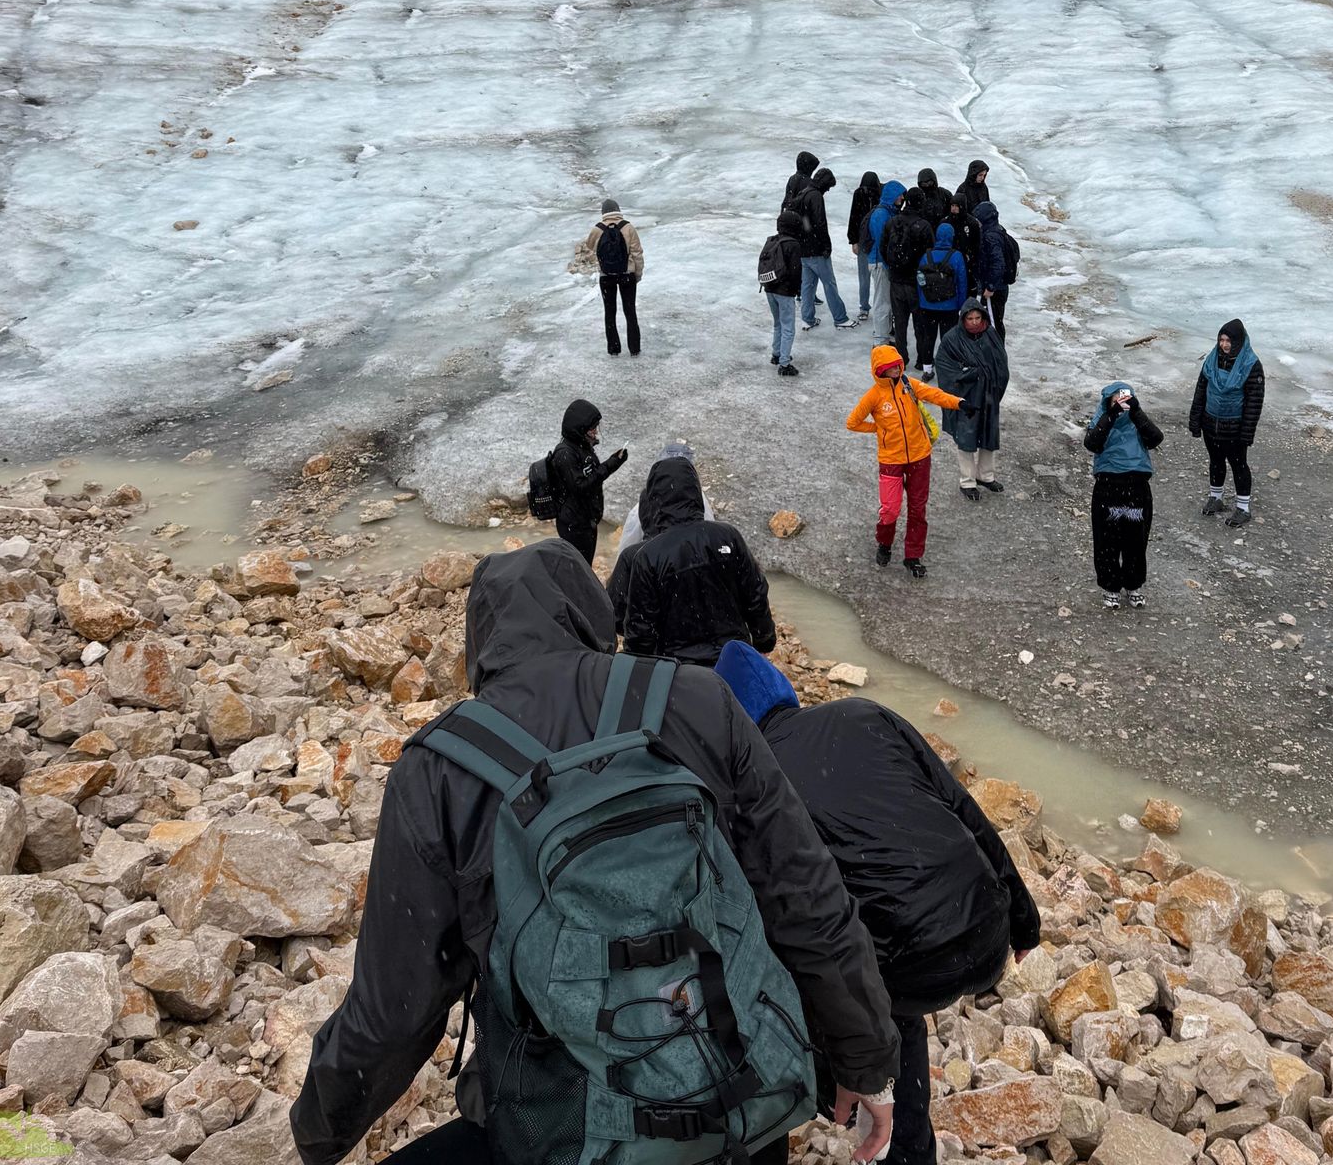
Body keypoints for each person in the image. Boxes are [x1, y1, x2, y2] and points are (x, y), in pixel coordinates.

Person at [291, 540, 900, 1165]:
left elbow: (392, 1011)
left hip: (565, 1130)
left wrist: (317, 1136)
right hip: (740, 1103)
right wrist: (867, 1059)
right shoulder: (698, 699)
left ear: (481, 643)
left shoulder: (437, 768)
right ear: (592, 614)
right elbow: (803, 892)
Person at [713, 640, 1040, 1165]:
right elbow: (963, 808)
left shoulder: (751, 777)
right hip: (987, 932)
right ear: (786, 693)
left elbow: (781, 918)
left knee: (854, 994)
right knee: (884, 993)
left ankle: (843, 1104)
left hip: (906, 972)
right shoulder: (864, 713)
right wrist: (1023, 920)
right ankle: (908, 1149)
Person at [608, 452, 777, 665]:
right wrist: (764, 640)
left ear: (655, 500)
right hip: (732, 658)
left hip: (677, 669)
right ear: (695, 492)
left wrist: (640, 663)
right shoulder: (728, 535)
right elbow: (755, 593)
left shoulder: (648, 555)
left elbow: (640, 628)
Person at [846, 345, 971, 578]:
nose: (896, 369)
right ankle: (884, 543)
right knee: (890, 509)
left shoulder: (909, 384)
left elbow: (934, 394)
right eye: (890, 367)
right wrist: (879, 429)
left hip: (920, 456)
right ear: (880, 370)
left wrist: (959, 403)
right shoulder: (873, 396)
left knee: (917, 508)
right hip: (891, 459)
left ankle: (913, 556)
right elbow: (852, 422)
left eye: (898, 364)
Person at [1084, 381, 1164, 608]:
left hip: (1136, 487)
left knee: (1136, 540)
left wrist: (1136, 412)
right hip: (1108, 487)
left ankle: (1133, 584)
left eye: (1125, 398)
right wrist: (1111, 415)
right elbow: (1092, 443)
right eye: (1116, 399)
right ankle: (1110, 586)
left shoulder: (1136, 420)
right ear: (1108, 401)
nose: (1121, 402)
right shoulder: (1102, 419)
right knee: (1106, 540)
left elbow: (1156, 438)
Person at [1188, 318, 1266, 527]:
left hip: (1235, 427)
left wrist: (1247, 433)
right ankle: (1216, 498)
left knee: (1239, 465)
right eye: (1221, 340)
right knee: (1215, 461)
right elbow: (1201, 391)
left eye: (1228, 341)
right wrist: (1195, 420)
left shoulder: (1251, 365)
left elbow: (1254, 402)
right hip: (1210, 422)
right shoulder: (1211, 360)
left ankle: (1243, 508)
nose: (1224, 345)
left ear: (1238, 341)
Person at [933, 299, 1009, 500]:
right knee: (966, 436)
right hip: (966, 397)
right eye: (970, 318)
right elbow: (945, 368)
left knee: (988, 434)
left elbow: (1001, 362)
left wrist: (995, 386)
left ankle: (985, 475)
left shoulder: (990, 334)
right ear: (963, 319)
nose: (975, 322)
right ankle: (967, 481)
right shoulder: (952, 339)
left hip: (989, 394)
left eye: (977, 317)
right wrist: (969, 374)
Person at [549, 399, 627, 564]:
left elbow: (592, 476)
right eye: (592, 428)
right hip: (574, 525)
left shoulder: (582, 447)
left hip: (586, 520)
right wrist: (610, 465)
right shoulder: (565, 454)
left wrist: (614, 461)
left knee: (584, 565)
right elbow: (581, 487)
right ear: (580, 429)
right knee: (579, 568)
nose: (596, 431)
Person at [615, 441, 716, 556]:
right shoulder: (700, 499)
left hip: (655, 560)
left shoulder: (644, 504)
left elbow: (626, 547)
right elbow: (710, 536)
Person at [795, 168, 858, 331]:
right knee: (829, 284)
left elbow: (804, 222)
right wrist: (826, 245)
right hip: (816, 250)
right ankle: (840, 318)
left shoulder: (803, 193)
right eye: (828, 186)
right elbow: (820, 223)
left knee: (807, 286)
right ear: (823, 183)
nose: (828, 190)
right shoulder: (815, 196)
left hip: (803, 249)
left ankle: (807, 319)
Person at [582, 199, 644, 356]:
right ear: (618, 209)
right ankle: (634, 349)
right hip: (627, 275)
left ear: (603, 212)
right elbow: (637, 253)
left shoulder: (597, 229)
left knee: (610, 313)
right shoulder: (628, 227)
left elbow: (589, 248)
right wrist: (638, 273)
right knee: (630, 312)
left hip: (606, 276)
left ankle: (614, 349)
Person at [882, 188, 934, 369]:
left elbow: (883, 248)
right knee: (920, 323)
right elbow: (930, 255)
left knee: (900, 322)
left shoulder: (892, 221)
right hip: (916, 282)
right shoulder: (924, 226)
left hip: (896, 280)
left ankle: (901, 358)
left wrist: (894, 268)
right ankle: (922, 359)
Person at [912, 223, 967, 378]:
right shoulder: (956, 256)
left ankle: (927, 370)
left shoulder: (926, 256)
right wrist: (961, 305)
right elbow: (962, 282)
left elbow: (920, 281)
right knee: (948, 339)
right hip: (949, 306)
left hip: (928, 305)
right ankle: (948, 369)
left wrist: (923, 300)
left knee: (928, 338)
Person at [864, 180, 906, 350]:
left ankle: (884, 336)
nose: (902, 198)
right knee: (882, 302)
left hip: (880, 262)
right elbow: (884, 242)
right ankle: (880, 340)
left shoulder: (885, 212)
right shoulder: (882, 214)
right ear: (892, 196)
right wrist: (889, 264)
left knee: (885, 301)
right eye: (900, 195)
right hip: (880, 263)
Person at [763, 209, 805, 377]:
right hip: (785, 291)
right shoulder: (793, 244)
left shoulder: (772, 241)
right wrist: (797, 290)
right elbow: (795, 271)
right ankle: (785, 363)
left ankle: (777, 353)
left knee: (778, 323)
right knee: (788, 327)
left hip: (769, 287)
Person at [972, 200, 1011, 340]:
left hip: (995, 289)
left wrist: (990, 287)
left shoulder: (990, 237)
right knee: (993, 322)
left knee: (994, 324)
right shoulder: (998, 230)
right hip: (998, 286)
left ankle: (996, 351)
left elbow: (998, 263)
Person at [847, 171, 882, 321]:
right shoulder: (859, 194)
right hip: (865, 241)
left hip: (874, 242)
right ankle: (864, 307)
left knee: (876, 278)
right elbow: (853, 217)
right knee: (865, 277)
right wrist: (853, 240)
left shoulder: (878, 194)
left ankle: (876, 308)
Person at [946, 194, 981, 280]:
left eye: (956, 206)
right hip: (948, 260)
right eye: (952, 205)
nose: (954, 208)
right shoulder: (945, 221)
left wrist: (971, 258)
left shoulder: (972, 223)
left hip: (966, 261)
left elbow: (976, 244)